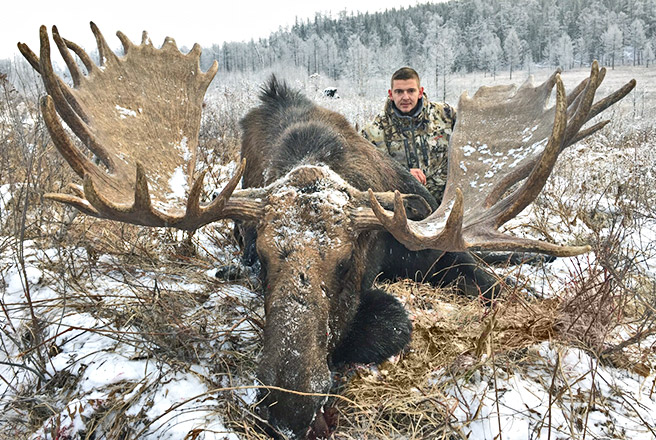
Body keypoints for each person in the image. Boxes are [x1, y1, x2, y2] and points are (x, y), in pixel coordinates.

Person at [362, 67, 456, 203]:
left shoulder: (446, 115)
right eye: (399, 92)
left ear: (420, 92)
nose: (405, 97)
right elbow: (367, 172)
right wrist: (403, 174)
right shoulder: (373, 132)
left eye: (411, 91)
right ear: (391, 94)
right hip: (404, 209)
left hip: (448, 204)